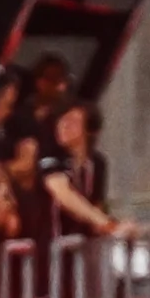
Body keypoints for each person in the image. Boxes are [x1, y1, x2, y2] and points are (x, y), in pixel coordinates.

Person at [40, 101, 118, 236]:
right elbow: (62, 193)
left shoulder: (97, 163)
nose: (64, 126)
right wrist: (104, 222)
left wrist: (114, 226)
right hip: (51, 244)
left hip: (83, 246)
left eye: (73, 122)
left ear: (89, 130)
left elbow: (96, 206)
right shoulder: (50, 157)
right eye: (62, 120)